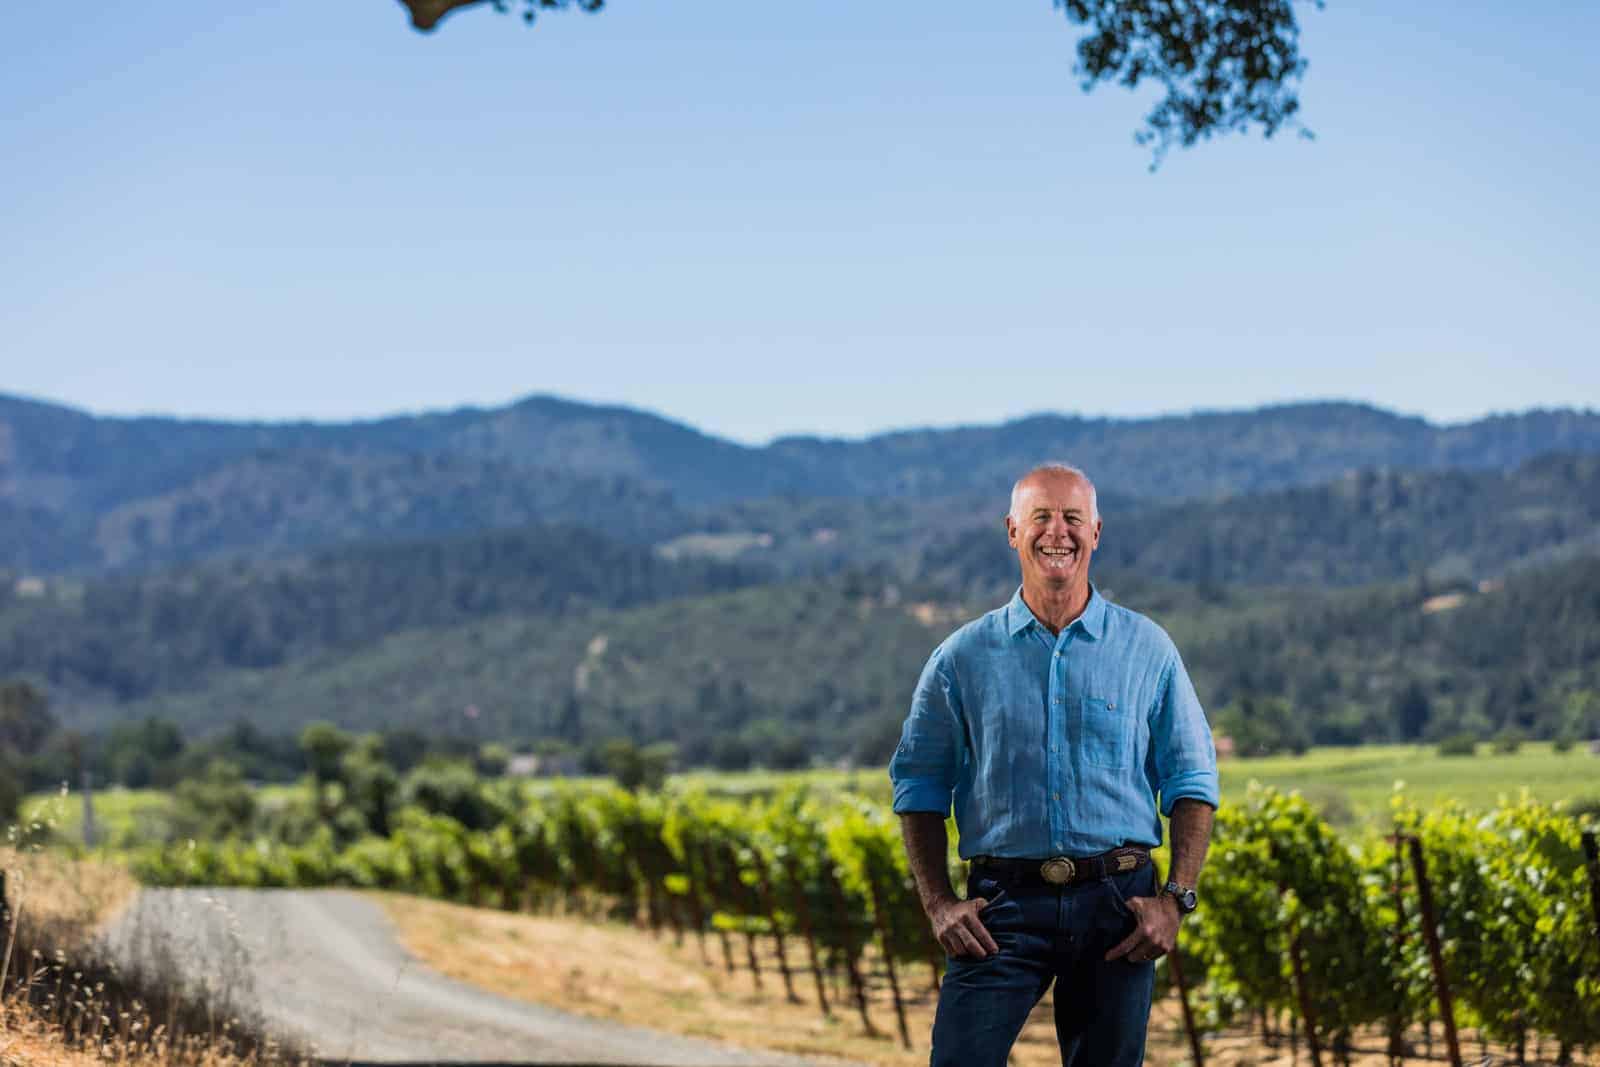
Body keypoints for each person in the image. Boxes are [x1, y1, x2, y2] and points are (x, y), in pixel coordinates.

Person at [889, 463, 1218, 1067]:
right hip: (1001, 911)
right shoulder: (960, 657)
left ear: (1096, 532)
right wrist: (937, 903)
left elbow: (1193, 780)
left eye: (1072, 518)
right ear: (1012, 531)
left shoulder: (1148, 648)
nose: (1056, 532)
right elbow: (919, 786)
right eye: (1040, 517)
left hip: (1120, 910)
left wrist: (1176, 899)